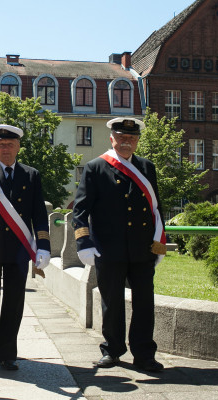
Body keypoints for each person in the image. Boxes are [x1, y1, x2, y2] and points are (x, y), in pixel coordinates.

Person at [72, 117, 167, 372]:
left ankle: (144, 354)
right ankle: (112, 350)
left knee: (144, 303)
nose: (127, 142)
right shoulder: (95, 167)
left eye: (132, 138)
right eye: (122, 137)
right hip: (108, 248)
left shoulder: (147, 167)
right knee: (111, 302)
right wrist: (84, 242)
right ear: (112, 138)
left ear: (137, 141)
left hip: (142, 248)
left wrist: (159, 246)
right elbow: (80, 210)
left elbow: (156, 209)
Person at [0, 124, 51, 372]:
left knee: (14, 302)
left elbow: (38, 214)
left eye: (10, 145)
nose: (5, 149)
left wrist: (43, 246)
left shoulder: (31, 175)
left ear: (18, 147)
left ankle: (7, 353)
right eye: (1, 145)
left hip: (18, 250)